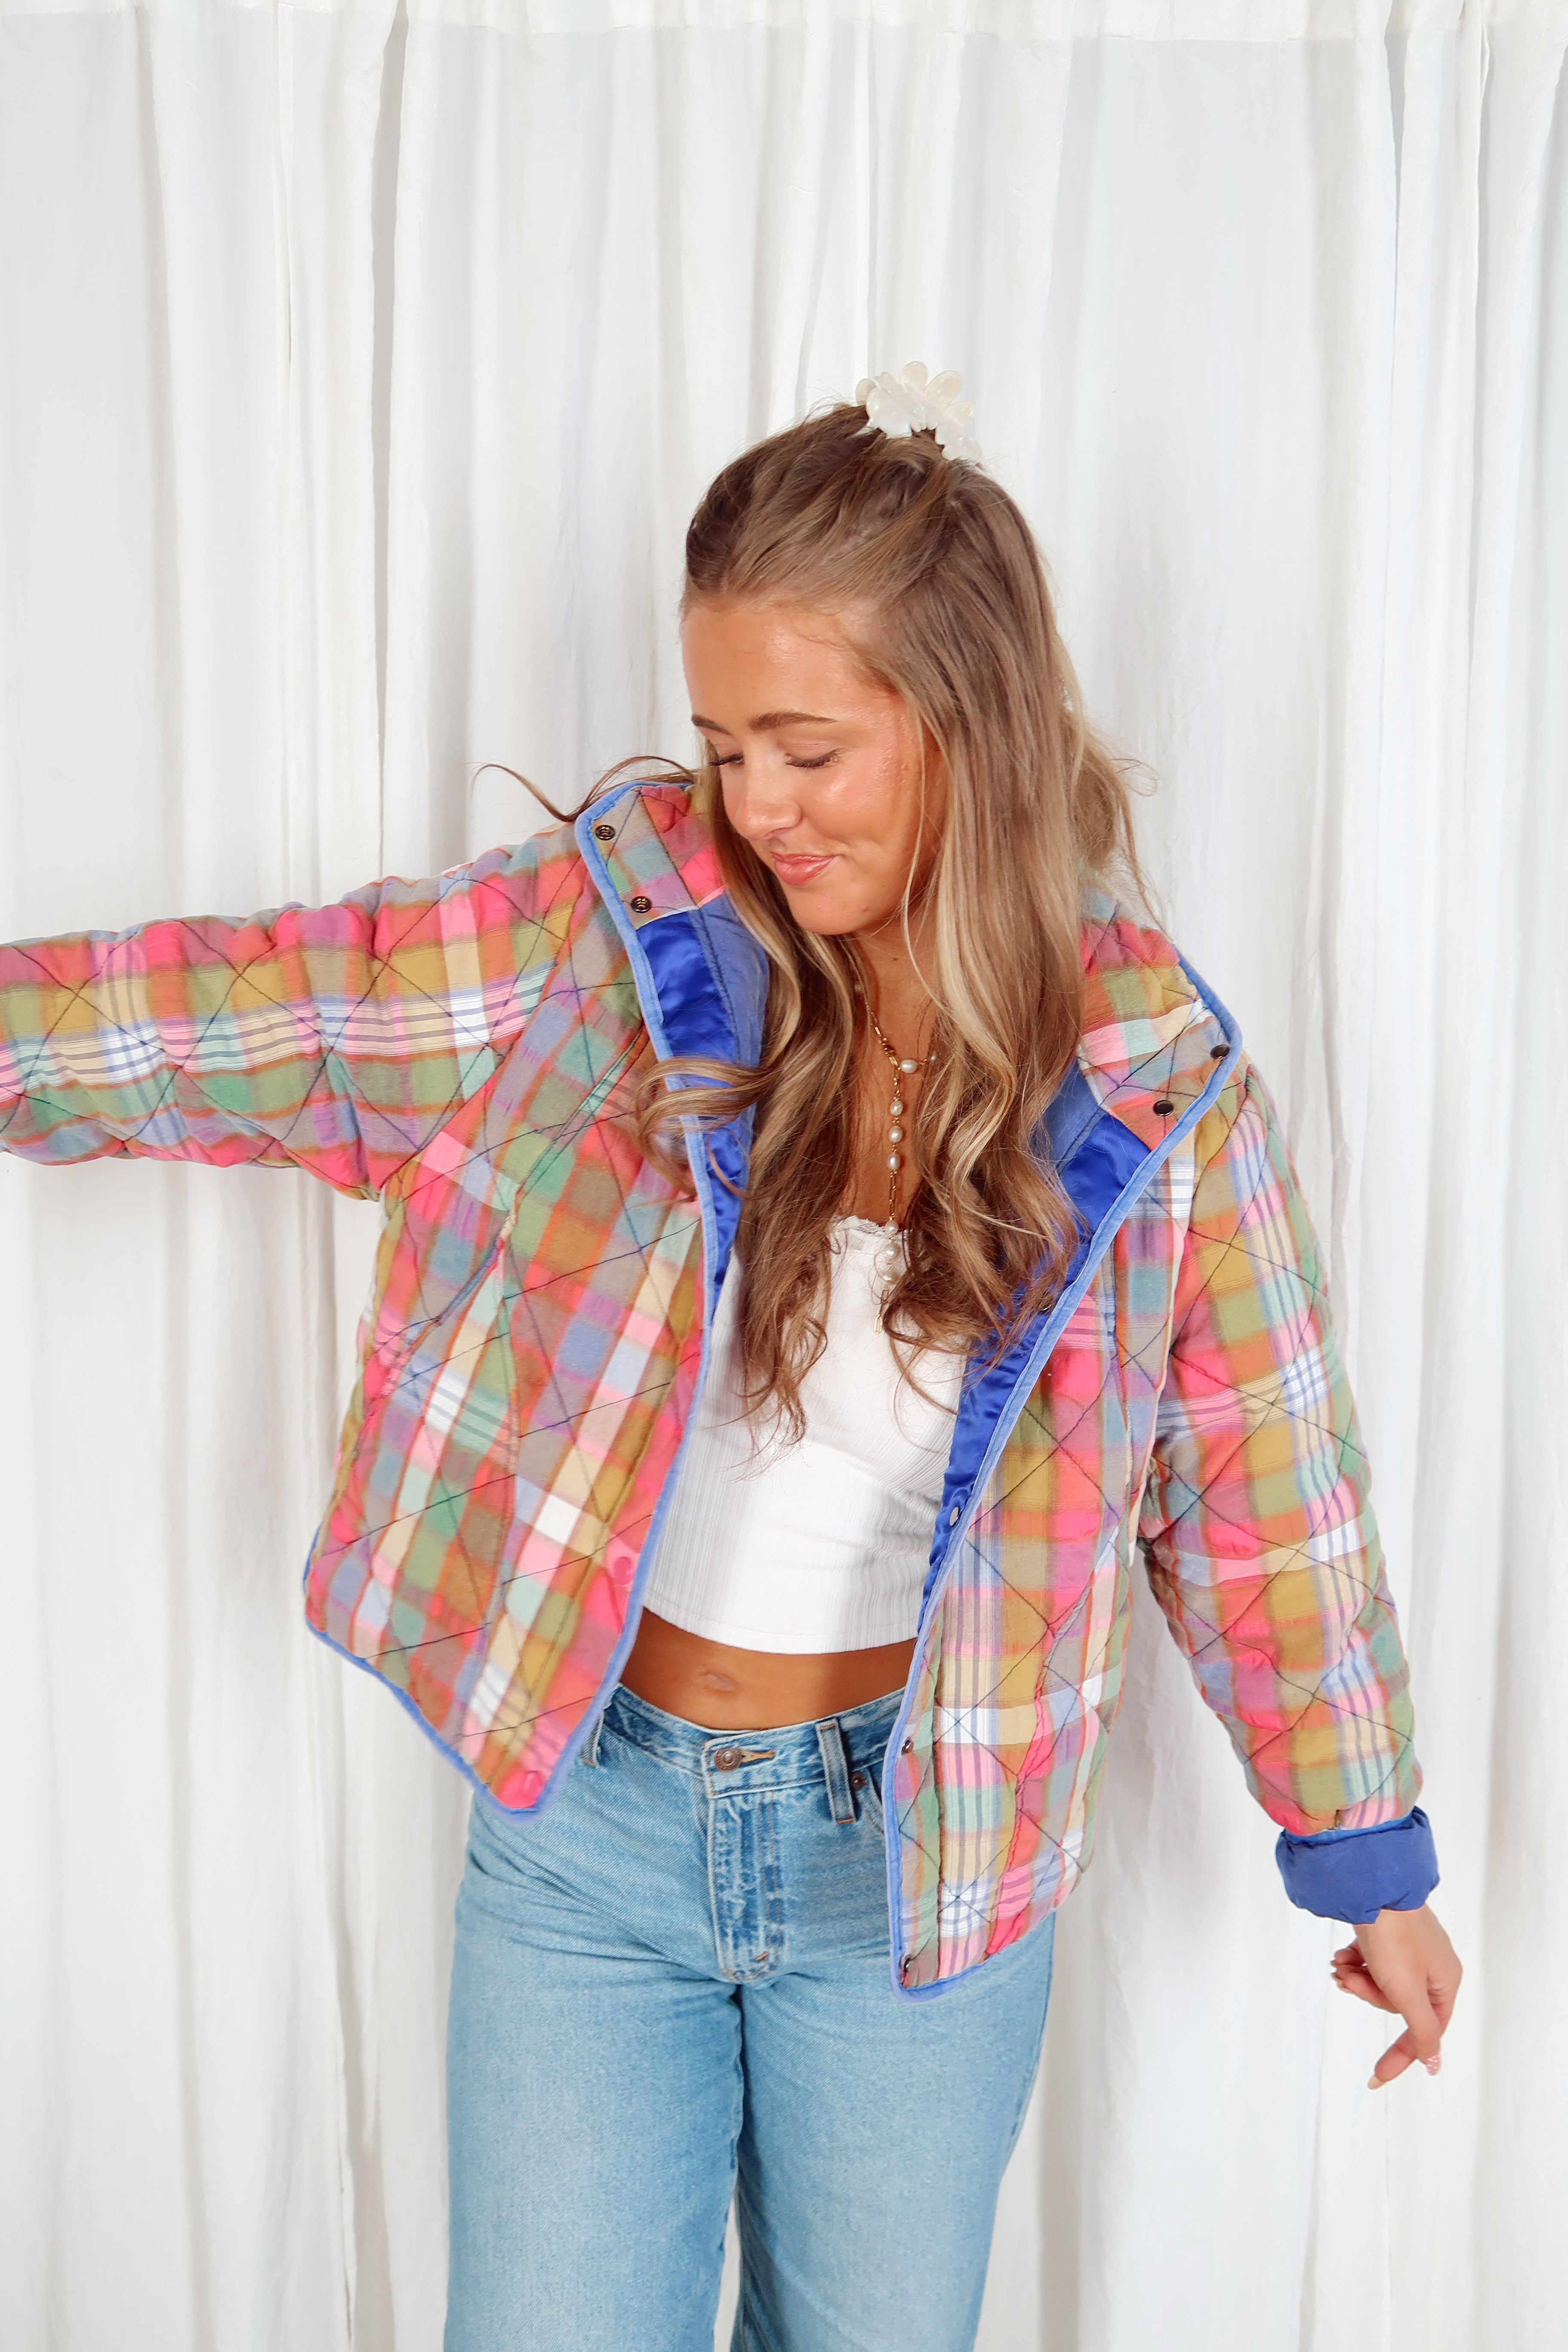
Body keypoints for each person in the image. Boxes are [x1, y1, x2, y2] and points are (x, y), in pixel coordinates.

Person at [0, 365, 1461, 2352]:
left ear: (964, 722)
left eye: (808, 748)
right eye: (720, 746)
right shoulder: (612, 952)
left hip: (920, 1867)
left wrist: (1365, 1852)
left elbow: (1265, 1498)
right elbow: (272, 1019)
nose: (755, 806)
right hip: (590, 1835)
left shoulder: (1149, 1088)